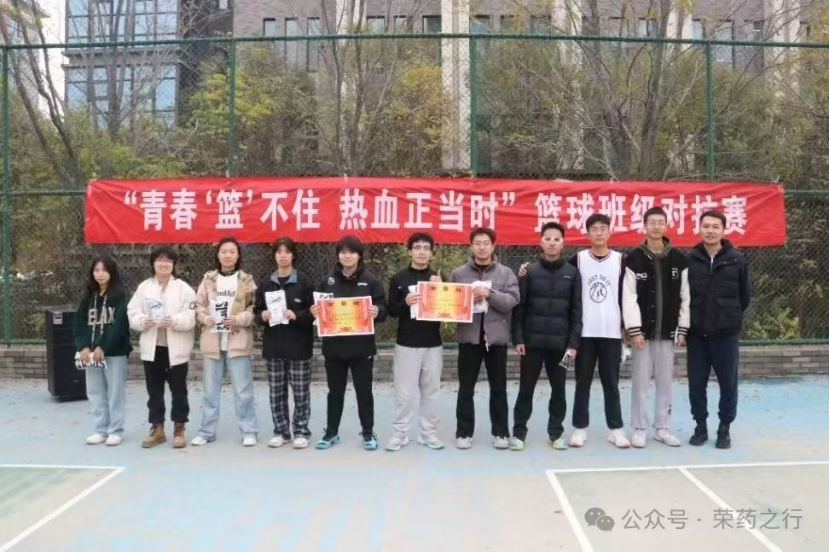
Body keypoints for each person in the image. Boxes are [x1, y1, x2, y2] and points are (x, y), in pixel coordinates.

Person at [311, 236, 387, 451]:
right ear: (338, 255)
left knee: (364, 393)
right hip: (334, 348)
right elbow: (317, 312)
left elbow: (383, 309)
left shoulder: (371, 281)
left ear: (359, 255)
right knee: (335, 392)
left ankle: (368, 433)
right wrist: (314, 311)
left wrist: (377, 311)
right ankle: (331, 432)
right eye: (343, 252)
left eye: (352, 252)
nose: (347, 256)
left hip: (362, 348)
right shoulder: (327, 281)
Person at [510, 222, 581, 451]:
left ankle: (556, 433)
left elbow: (577, 312)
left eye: (556, 239)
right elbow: (519, 309)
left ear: (563, 243)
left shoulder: (572, 273)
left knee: (559, 390)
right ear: (541, 242)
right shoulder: (529, 272)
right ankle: (519, 433)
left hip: (562, 347)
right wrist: (518, 339)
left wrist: (573, 345)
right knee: (526, 389)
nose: (552, 243)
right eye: (548, 239)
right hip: (531, 345)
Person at [623, 207, 690, 448]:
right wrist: (634, 330)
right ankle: (639, 428)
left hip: (668, 333)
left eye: (660, 222)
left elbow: (685, 296)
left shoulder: (679, 259)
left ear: (666, 225)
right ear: (644, 226)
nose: (656, 226)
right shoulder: (634, 258)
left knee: (665, 383)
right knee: (640, 383)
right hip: (643, 335)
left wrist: (683, 328)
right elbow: (628, 297)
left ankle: (663, 427)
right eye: (652, 222)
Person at [450, 227, 520, 450]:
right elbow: (450, 306)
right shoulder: (458, 274)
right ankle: (463, 433)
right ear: (471, 246)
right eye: (477, 243)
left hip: (496, 340)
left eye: (486, 243)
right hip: (468, 338)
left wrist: (490, 294)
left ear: (493, 246)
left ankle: (501, 432)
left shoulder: (505, 273)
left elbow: (512, 301)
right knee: (465, 388)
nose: (481, 247)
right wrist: (465, 300)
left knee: (498, 388)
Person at [687, 210, 751, 449]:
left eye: (715, 226)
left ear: (723, 230)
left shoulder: (736, 259)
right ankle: (700, 426)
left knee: (728, 385)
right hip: (697, 336)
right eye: (706, 226)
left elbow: (745, 296)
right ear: (699, 228)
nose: (710, 231)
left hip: (726, 335)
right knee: (696, 385)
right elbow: (683, 296)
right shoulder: (690, 259)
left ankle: (724, 428)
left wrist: (728, 317)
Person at [128, 246, 197, 449]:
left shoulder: (184, 289)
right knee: (154, 392)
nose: (163, 263)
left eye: (168, 260)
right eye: (159, 259)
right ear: (153, 263)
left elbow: (190, 318)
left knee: (179, 391)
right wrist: (143, 321)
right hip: (152, 348)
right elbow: (132, 311)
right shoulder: (144, 287)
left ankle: (179, 429)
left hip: (177, 350)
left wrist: (174, 321)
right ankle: (157, 429)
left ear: (174, 264)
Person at [192, 237, 259, 447]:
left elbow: (254, 309)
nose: (228, 255)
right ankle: (206, 431)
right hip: (213, 342)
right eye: (224, 251)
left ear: (238, 255)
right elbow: (198, 305)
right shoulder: (208, 279)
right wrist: (205, 318)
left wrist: (238, 319)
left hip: (237, 341)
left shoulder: (247, 280)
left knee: (243, 391)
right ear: (218, 255)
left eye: (232, 251)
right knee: (210, 391)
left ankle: (249, 430)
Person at [385, 232, 445, 452]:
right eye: (417, 247)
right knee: (405, 393)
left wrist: (441, 290)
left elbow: (448, 310)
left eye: (426, 248)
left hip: (433, 343)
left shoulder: (438, 277)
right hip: (406, 344)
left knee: (431, 392)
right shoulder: (399, 278)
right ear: (409, 251)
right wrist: (406, 302)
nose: (422, 252)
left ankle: (428, 434)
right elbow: (391, 310)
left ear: (431, 252)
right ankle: (399, 434)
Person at [254, 237, 315, 450]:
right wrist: (262, 316)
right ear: (274, 255)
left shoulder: (304, 282)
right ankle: (281, 432)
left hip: (299, 347)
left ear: (293, 255)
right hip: (274, 347)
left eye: (287, 251)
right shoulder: (265, 283)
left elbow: (314, 313)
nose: (283, 255)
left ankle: (301, 431)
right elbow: (256, 312)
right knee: (276, 393)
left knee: (301, 393)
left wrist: (297, 315)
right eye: (279, 251)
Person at [74, 254, 132, 446]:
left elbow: (119, 325)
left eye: (104, 270)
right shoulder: (88, 297)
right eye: (96, 270)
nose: (100, 274)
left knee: (115, 393)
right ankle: (100, 430)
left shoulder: (120, 296)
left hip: (114, 353)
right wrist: (83, 346)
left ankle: (116, 430)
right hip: (91, 355)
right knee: (95, 391)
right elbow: (79, 323)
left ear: (111, 272)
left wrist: (103, 346)